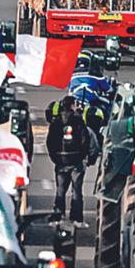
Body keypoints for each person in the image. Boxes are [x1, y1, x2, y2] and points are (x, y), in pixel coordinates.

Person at [46, 95, 94, 226]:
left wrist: (55, 156)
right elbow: (85, 140)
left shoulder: (55, 122)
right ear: (73, 105)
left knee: (60, 189)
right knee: (77, 190)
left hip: (60, 160)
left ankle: (57, 215)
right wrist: (83, 156)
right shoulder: (79, 121)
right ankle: (77, 218)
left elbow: (50, 141)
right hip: (76, 160)